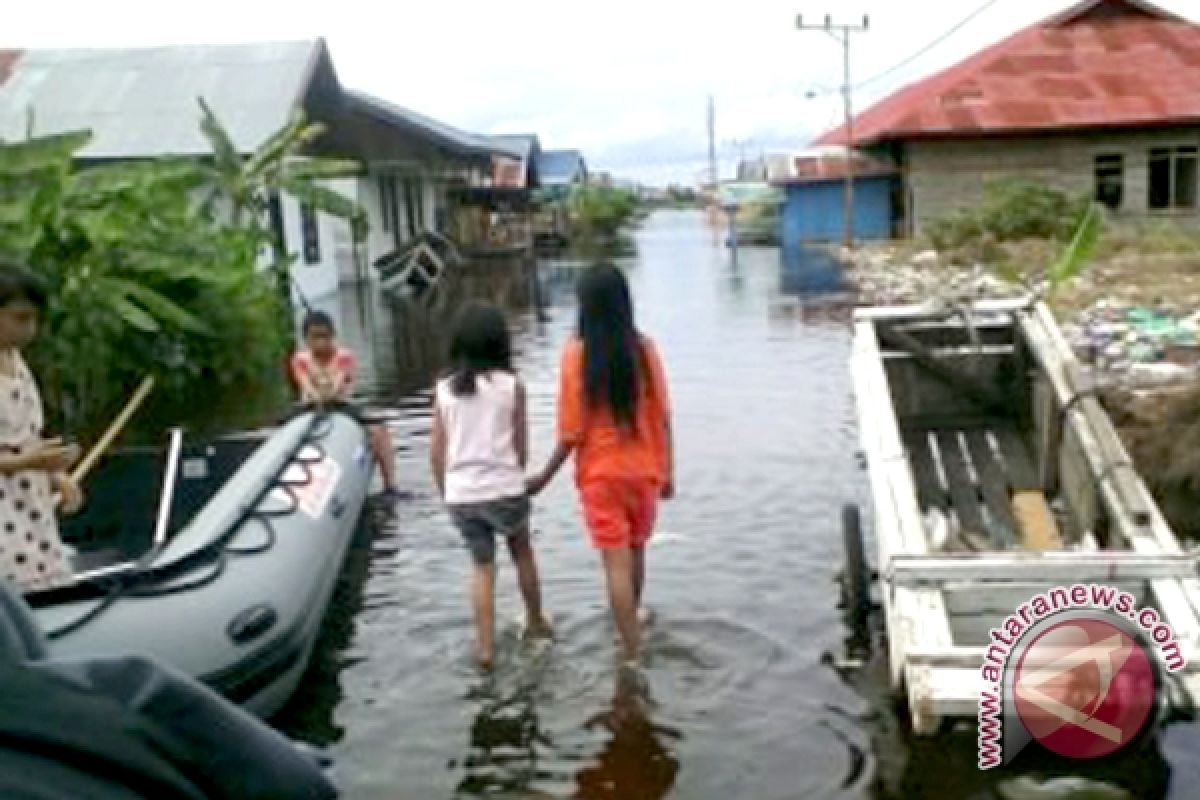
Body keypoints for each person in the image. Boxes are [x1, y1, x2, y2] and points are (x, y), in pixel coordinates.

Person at [527, 264, 674, 664]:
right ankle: (634, 622)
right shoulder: (645, 350)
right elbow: (663, 415)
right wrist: (669, 471)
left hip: (600, 474)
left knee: (615, 566)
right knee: (636, 551)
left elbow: (571, 431)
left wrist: (543, 475)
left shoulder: (576, 354)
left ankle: (628, 653)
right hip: (643, 470)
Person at [430, 303, 551, 670]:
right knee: (522, 553)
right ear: (501, 343)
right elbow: (521, 449)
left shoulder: (444, 390)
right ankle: (535, 623)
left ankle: (485, 651)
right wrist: (518, 480)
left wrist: (446, 492)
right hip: (505, 490)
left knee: (482, 568)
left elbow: (437, 453)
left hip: (462, 495)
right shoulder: (512, 387)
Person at [0, 261, 83, 593]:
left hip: (30, 506)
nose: (30, 329)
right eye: (20, 318)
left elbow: (28, 434)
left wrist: (57, 475)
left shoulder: (17, 363)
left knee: (47, 584)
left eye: (34, 319)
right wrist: (28, 463)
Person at [289, 311, 401, 499]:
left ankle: (391, 484)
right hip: (310, 407)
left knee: (379, 429)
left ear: (333, 336)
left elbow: (337, 384)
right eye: (314, 337)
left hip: (340, 406)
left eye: (325, 336)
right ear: (306, 339)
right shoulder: (300, 360)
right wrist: (315, 395)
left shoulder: (344, 357)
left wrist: (326, 392)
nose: (320, 342)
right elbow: (305, 384)